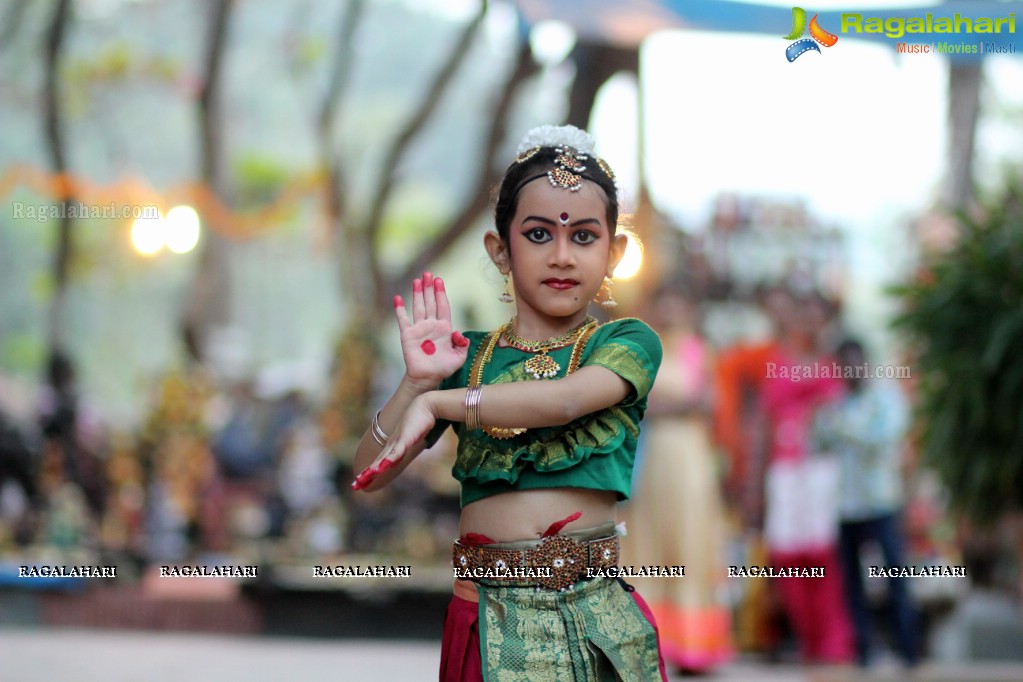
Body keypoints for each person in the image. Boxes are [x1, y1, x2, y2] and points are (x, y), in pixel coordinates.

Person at [351, 124, 666, 680]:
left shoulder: (624, 344)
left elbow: (564, 401)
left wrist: (443, 406)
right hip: (485, 617)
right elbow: (368, 477)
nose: (563, 256)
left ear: (615, 252)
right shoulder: (465, 360)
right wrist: (418, 385)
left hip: (590, 617)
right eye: (540, 235)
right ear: (501, 249)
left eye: (585, 237)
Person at [620, 281, 732, 674]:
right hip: (650, 460)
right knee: (646, 538)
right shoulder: (642, 350)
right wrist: (673, 405)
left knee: (689, 537)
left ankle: (694, 646)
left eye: (676, 302)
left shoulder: (698, 350)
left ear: (688, 308)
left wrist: (667, 405)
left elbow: (708, 402)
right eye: (662, 301)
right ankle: (648, 639)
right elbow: (633, 402)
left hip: (688, 458)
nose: (669, 310)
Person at [811, 338, 919, 669]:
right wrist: (839, 428)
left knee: (895, 577)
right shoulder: (835, 403)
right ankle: (863, 651)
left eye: (854, 361)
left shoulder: (886, 397)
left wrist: (842, 430)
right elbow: (818, 440)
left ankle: (908, 649)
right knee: (852, 584)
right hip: (846, 505)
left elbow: (885, 436)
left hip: (881, 501)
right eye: (843, 363)